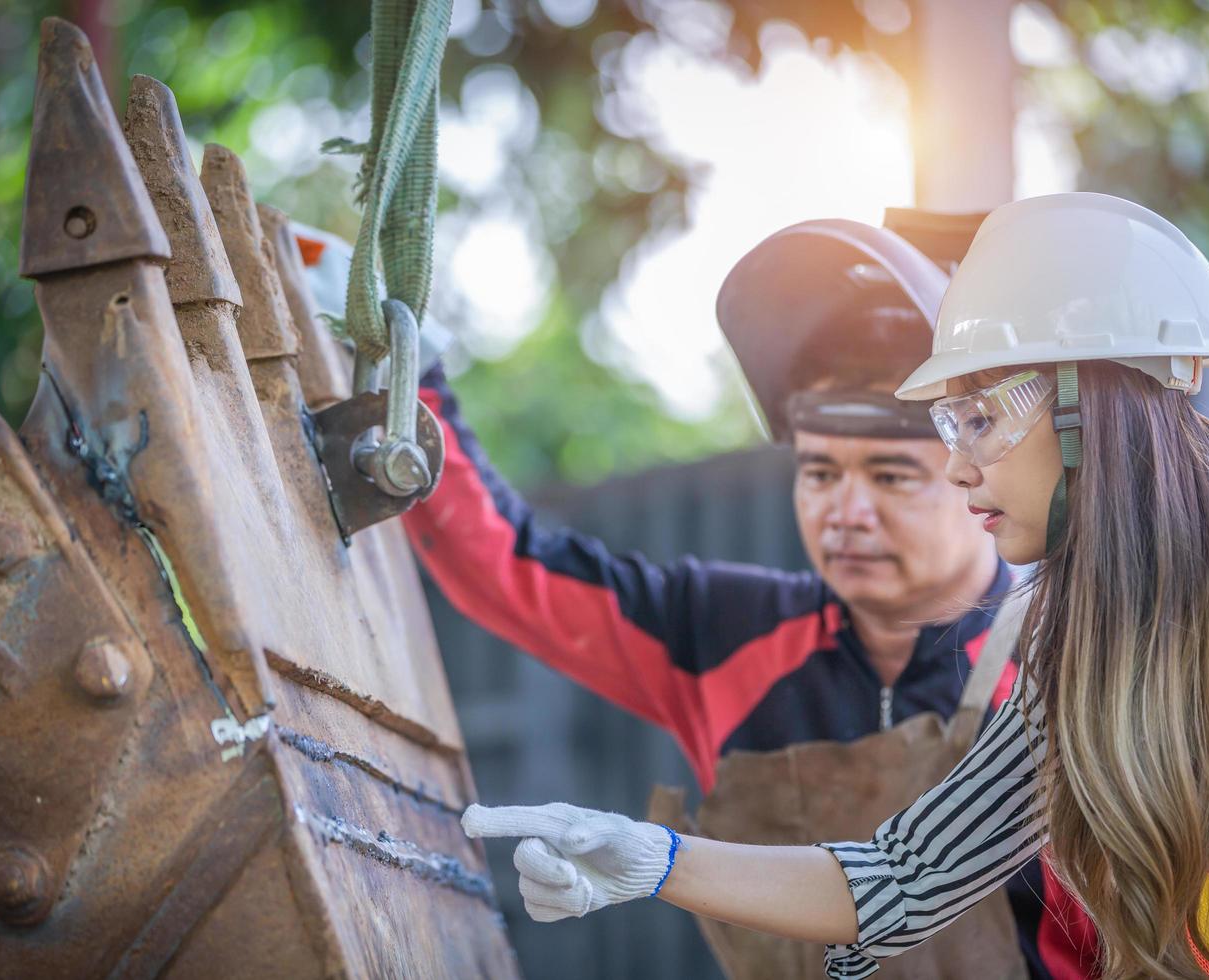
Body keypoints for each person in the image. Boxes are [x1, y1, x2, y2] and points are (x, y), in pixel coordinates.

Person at [462, 191, 1209, 979]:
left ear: (1084, 401)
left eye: (980, 420)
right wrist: (653, 860)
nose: (955, 467)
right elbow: (902, 880)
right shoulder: (1082, 651)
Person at [329, 210, 1091, 976]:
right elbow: (510, 565)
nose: (846, 512)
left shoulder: (1067, 662)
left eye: (891, 476)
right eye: (820, 473)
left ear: (972, 470)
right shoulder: (723, 634)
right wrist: (408, 374)